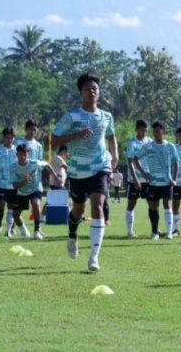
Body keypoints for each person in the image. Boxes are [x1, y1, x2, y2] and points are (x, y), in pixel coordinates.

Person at [51, 73, 119, 272]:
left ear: (99, 92)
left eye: (95, 89)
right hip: (77, 170)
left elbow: (111, 135)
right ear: (81, 93)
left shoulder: (107, 116)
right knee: (78, 210)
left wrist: (114, 155)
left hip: (100, 167)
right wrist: (77, 135)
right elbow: (54, 141)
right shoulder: (72, 116)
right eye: (87, 88)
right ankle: (72, 233)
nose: (92, 91)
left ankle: (94, 257)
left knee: (98, 206)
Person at [132, 121, 179, 239]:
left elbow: (176, 162)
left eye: (158, 131)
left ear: (163, 131)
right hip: (153, 183)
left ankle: (169, 232)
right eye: (154, 131)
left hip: (167, 182)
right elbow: (135, 159)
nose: (155, 133)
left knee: (167, 204)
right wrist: (144, 173)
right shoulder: (148, 146)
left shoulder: (170, 146)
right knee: (153, 206)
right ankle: (154, 232)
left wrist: (174, 179)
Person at [10, 144, 60, 240]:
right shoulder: (13, 167)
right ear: (17, 155)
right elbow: (15, 185)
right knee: (15, 215)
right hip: (22, 192)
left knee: (35, 203)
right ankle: (24, 231)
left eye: (25, 154)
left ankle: (37, 230)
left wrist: (55, 176)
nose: (23, 156)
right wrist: (24, 182)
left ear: (28, 154)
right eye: (20, 154)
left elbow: (47, 164)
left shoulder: (34, 163)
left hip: (35, 189)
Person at [125, 119, 153, 238]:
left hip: (148, 179)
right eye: (142, 130)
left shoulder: (150, 142)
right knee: (132, 204)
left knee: (152, 204)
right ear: (136, 129)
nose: (144, 133)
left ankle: (155, 229)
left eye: (146, 131)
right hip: (134, 179)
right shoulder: (132, 143)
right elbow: (130, 162)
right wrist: (136, 179)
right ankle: (130, 231)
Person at [0, 127, 18, 237]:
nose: (9, 140)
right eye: (7, 137)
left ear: (14, 138)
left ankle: (9, 229)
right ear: (3, 138)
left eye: (11, 138)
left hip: (13, 184)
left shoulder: (17, 150)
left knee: (11, 207)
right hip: (1, 183)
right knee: (1, 204)